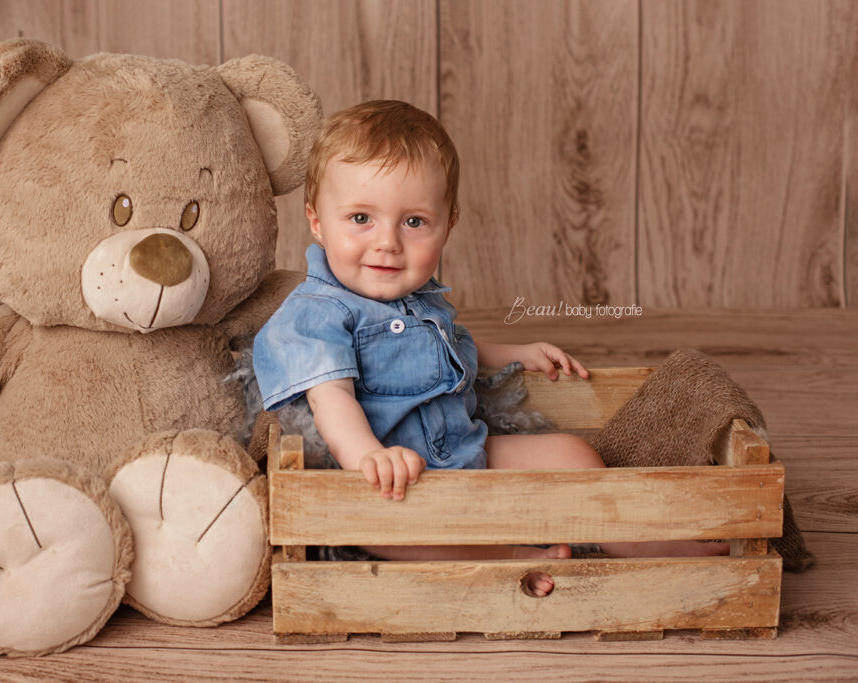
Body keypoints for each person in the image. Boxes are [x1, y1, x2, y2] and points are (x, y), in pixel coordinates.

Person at [252, 100, 724, 596]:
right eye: (361, 218)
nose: (387, 242)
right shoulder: (318, 313)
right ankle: (504, 556)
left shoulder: (417, 299)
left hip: (462, 450)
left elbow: (445, 352)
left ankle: (634, 542)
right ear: (317, 221)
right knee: (400, 532)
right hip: (390, 483)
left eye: (414, 222)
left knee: (574, 454)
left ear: (448, 223)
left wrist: (513, 354)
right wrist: (368, 455)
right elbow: (332, 397)